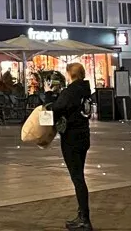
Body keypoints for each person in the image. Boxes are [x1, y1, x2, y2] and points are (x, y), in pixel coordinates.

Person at [48, 62, 93, 230]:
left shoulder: (71, 91)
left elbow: (56, 109)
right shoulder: (85, 90)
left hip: (71, 138)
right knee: (79, 175)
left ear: (70, 74)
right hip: (84, 135)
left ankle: (84, 218)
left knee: (77, 178)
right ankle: (82, 215)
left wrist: (49, 95)